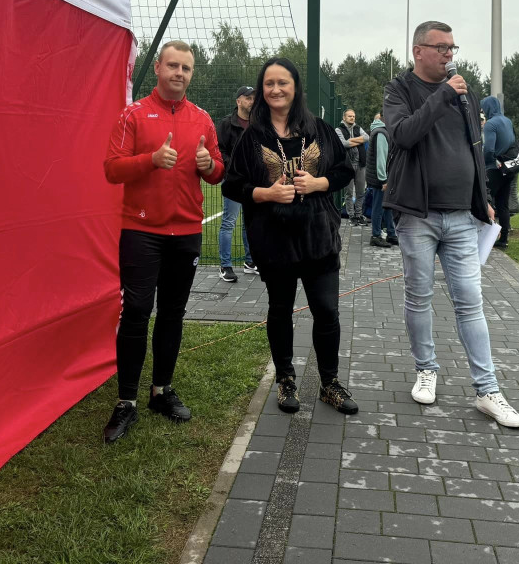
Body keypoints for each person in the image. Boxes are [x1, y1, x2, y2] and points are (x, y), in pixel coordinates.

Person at [383, 20, 519, 428]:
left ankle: (488, 390)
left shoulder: (466, 93)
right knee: (419, 295)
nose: (449, 54)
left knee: (470, 300)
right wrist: (443, 95)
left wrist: (483, 200)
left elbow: (474, 148)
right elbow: (404, 135)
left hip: (463, 215)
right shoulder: (400, 90)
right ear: (418, 51)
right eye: (441, 47)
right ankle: (426, 369)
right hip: (418, 214)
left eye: (452, 47)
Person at [101, 40, 224, 443]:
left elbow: (217, 171)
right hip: (141, 231)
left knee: (173, 312)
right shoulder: (133, 114)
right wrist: (150, 160)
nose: (180, 74)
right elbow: (112, 170)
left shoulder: (202, 119)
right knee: (137, 310)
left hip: (186, 232)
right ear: (157, 67)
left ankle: (161, 391)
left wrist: (210, 166)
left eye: (186, 69)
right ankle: (126, 401)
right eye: (173, 66)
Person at [223, 58, 358, 416]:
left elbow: (345, 169)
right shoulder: (253, 136)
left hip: (318, 238)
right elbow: (233, 183)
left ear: (295, 87)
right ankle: (285, 380)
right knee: (280, 310)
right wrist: (266, 193)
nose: (276, 89)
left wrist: (320, 183)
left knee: (327, 311)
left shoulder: (320, 129)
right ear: (261, 90)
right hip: (274, 240)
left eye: (283, 82)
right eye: (269, 84)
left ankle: (329, 383)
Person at [216, 86, 259, 282]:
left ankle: (250, 262)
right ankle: (225, 266)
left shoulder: (258, 123)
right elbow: (219, 150)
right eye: (248, 98)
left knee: (251, 221)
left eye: (253, 98)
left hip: (253, 181)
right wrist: (232, 166)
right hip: (234, 180)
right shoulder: (226, 124)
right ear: (238, 101)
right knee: (229, 222)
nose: (251, 101)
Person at [480, 96, 516, 250]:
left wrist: (483, 161)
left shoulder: (491, 124)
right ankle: (504, 239)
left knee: (484, 201)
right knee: (503, 204)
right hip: (508, 168)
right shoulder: (507, 121)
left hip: (494, 168)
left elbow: (489, 149)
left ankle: (484, 238)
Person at [365, 112, 397, 247]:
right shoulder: (381, 133)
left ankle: (391, 233)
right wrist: (384, 180)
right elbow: (381, 158)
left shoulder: (381, 131)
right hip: (381, 179)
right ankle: (376, 235)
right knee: (379, 207)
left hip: (382, 177)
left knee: (388, 206)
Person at [337, 109, 369, 225]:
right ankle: (351, 216)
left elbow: (366, 137)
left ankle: (359, 215)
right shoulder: (339, 129)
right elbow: (343, 144)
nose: (352, 118)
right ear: (344, 117)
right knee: (349, 193)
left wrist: (351, 140)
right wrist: (358, 141)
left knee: (360, 192)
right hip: (347, 166)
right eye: (350, 116)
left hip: (360, 164)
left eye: (354, 116)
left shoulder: (357, 128)